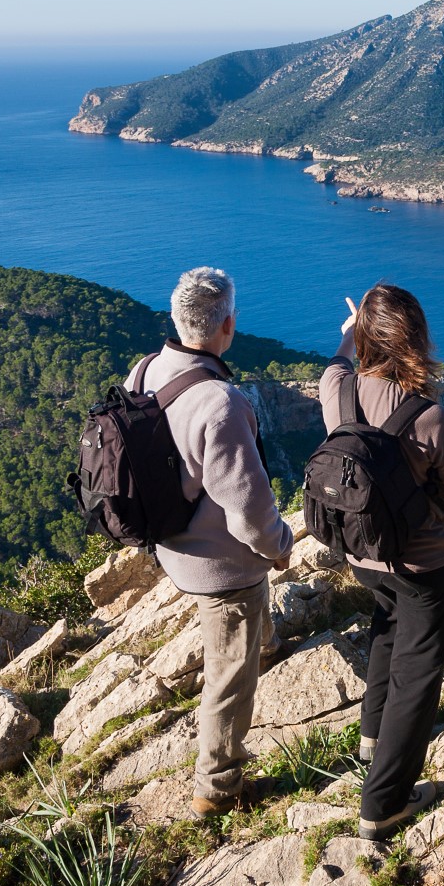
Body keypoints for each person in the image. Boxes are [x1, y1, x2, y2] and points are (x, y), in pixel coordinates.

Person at [123, 266, 294, 817]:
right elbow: (248, 508)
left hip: (168, 543)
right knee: (226, 675)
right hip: (220, 570)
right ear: (228, 327)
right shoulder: (220, 403)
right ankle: (216, 789)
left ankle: (263, 643)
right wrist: (281, 545)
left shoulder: (145, 370)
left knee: (243, 634)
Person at [323, 284, 444, 841]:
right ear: (417, 339)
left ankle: (372, 739)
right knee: (417, 677)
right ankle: (384, 804)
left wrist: (351, 337)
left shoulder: (335, 390)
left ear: (367, 339)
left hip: (361, 551)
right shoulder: (429, 419)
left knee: (386, 633)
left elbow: (339, 363)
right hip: (422, 566)